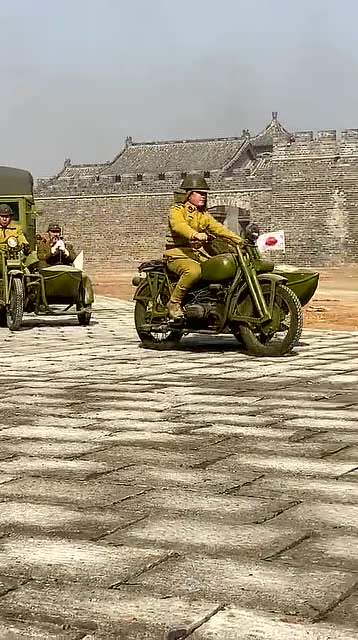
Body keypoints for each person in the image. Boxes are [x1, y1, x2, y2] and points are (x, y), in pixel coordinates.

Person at [164, 174, 244, 320]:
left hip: (196, 253)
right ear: (189, 194)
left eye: (205, 194)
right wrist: (195, 234)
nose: (203, 196)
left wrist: (240, 241)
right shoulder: (177, 210)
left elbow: (219, 229)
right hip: (176, 253)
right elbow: (179, 226)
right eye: (199, 193)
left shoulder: (203, 214)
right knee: (193, 271)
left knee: (217, 268)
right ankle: (174, 303)